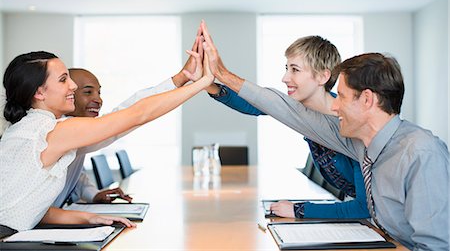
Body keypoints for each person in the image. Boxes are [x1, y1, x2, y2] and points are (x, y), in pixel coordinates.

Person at [199, 21, 449, 251]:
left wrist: (224, 74)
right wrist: (213, 80)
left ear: (367, 100)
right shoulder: (359, 141)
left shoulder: (418, 152)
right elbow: (272, 105)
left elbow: (434, 245)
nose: (335, 106)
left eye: (340, 97)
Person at [0, 46, 212, 231]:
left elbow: (24, 208)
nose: (72, 86)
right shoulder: (48, 131)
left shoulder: (28, 129)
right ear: (39, 93)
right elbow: (137, 114)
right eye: (64, 80)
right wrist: (202, 83)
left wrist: (89, 217)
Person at [198, 36, 369, 219]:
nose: (285, 78)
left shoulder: (351, 125)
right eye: (287, 69)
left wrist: (299, 210)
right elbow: (254, 105)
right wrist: (208, 85)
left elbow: (362, 208)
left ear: (323, 76)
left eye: (295, 70)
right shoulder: (302, 109)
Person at [53, 46, 202, 208]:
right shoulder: (63, 129)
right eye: (88, 92)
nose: (98, 100)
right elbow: (134, 113)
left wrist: (94, 194)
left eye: (99, 93)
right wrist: (184, 79)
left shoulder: (74, 131)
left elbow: (72, 172)